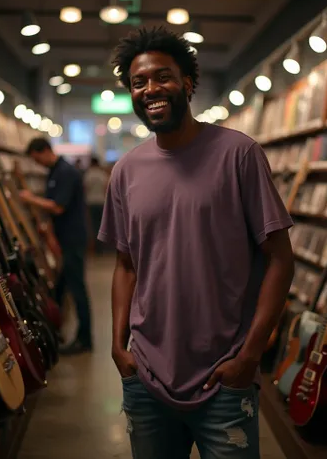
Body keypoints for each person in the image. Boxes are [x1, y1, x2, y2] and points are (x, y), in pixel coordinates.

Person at [98, 26, 294, 458]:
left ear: (188, 83)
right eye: (138, 82)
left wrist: (249, 357)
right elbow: (125, 265)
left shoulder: (238, 154)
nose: (151, 89)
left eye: (162, 76)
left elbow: (280, 259)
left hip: (224, 376)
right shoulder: (126, 171)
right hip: (146, 376)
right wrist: (117, 347)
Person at [20, 138, 93, 355]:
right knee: (60, 288)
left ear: (44, 151)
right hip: (63, 238)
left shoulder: (65, 172)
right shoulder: (55, 172)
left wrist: (29, 199)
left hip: (72, 239)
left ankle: (85, 339)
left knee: (76, 287)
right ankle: (54, 331)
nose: (37, 164)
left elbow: (58, 207)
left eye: (36, 159)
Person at [83, 156, 108, 254]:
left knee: (93, 226)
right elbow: (106, 189)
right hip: (102, 203)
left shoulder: (88, 175)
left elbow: (85, 189)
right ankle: (101, 248)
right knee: (102, 226)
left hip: (91, 203)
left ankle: (94, 248)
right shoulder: (103, 174)